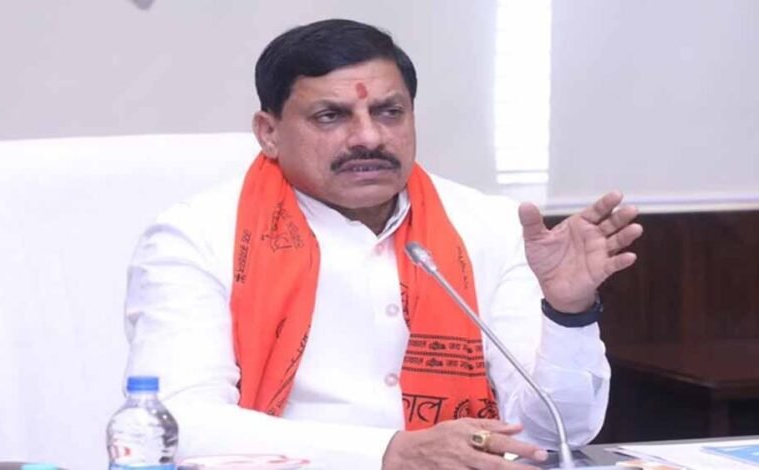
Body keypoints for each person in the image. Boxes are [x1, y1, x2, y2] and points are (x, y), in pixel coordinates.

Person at [124, 18, 642, 470]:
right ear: (269, 133)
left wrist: (568, 315)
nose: (369, 137)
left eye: (389, 112)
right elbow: (176, 425)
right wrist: (388, 453)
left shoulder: (489, 225)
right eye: (331, 116)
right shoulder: (199, 236)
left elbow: (553, 434)